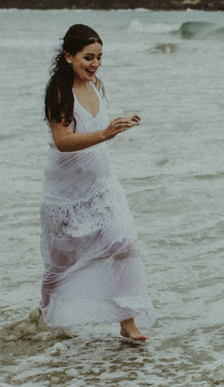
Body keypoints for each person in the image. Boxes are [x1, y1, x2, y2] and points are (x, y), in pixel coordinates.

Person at [40, 24, 156, 341]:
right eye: (88, 57)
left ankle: (127, 320)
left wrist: (118, 124)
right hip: (65, 191)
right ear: (68, 56)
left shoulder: (96, 85)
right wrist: (105, 133)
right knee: (61, 265)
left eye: (100, 57)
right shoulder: (59, 92)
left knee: (124, 244)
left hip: (103, 185)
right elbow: (63, 140)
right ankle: (44, 311)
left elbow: (94, 127)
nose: (95, 64)